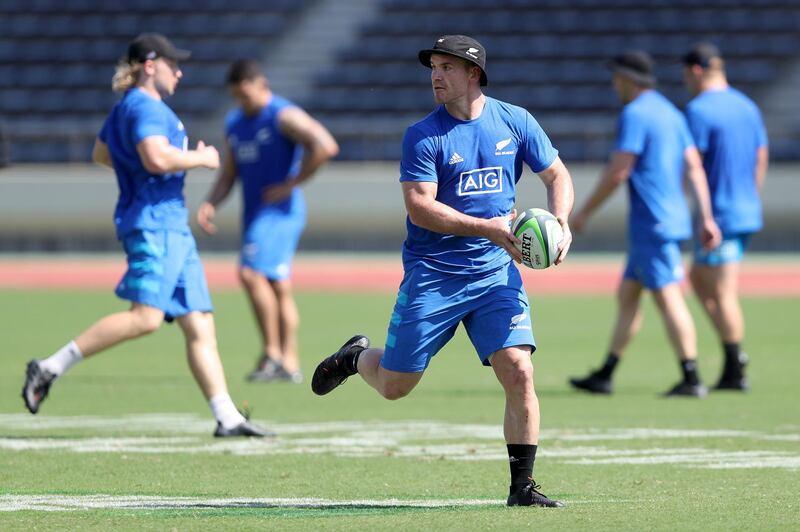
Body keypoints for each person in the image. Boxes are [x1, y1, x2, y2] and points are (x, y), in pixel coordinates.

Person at [311, 35, 574, 508]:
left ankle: (523, 487)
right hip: (434, 273)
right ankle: (354, 358)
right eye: (433, 67)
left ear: (473, 74)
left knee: (519, 371)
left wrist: (562, 221)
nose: (435, 76)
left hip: (495, 275)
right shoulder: (423, 134)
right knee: (395, 387)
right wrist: (487, 228)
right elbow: (420, 209)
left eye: (446, 67)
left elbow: (556, 175)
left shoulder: (515, 121)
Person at [21, 33, 270, 438]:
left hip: (168, 224)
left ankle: (227, 417)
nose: (180, 72)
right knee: (146, 318)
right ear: (150, 65)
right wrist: (202, 159)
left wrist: (136, 173)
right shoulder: (147, 108)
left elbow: (102, 155)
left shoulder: (126, 107)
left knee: (200, 324)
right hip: (156, 224)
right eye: (174, 65)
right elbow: (155, 157)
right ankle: (50, 366)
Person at [569, 50, 721, 398]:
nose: (613, 84)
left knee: (669, 298)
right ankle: (606, 373)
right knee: (628, 295)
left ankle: (692, 376)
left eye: (616, 78)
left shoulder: (635, 114)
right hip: (665, 220)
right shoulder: (671, 112)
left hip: (654, 223)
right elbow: (695, 167)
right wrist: (707, 216)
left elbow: (619, 170)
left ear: (626, 78)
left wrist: (585, 211)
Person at [197, 60, 338, 384]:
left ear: (262, 85)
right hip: (256, 214)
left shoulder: (282, 115)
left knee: (249, 273)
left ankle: (272, 355)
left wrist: (294, 182)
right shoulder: (235, 122)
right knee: (277, 285)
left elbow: (325, 145)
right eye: (236, 97)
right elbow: (230, 172)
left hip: (279, 213)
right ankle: (289, 363)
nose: (241, 103)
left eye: (245, 96)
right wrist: (211, 202)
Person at [681, 42, 769, 391]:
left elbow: (693, 164)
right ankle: (734, 355)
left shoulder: (699, 110)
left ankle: (735, 365)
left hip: (718, 216)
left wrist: (701, 211)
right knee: (699, 279)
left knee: (723, 289)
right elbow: (761, 155)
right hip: (744, 208)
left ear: (696, 71)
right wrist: (751, 195)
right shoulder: (747, 106)